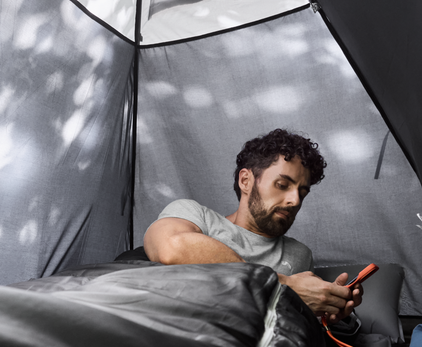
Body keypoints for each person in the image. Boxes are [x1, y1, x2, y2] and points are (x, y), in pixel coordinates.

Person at [143, 128, 361, 329]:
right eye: (282, 185)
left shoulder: (299, 255)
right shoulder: (194, 215)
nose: (295, 200)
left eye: (302, 193)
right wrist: (284, 284)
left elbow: (291, 324)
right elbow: (172, 247)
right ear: (246, 180)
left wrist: (331, 310)